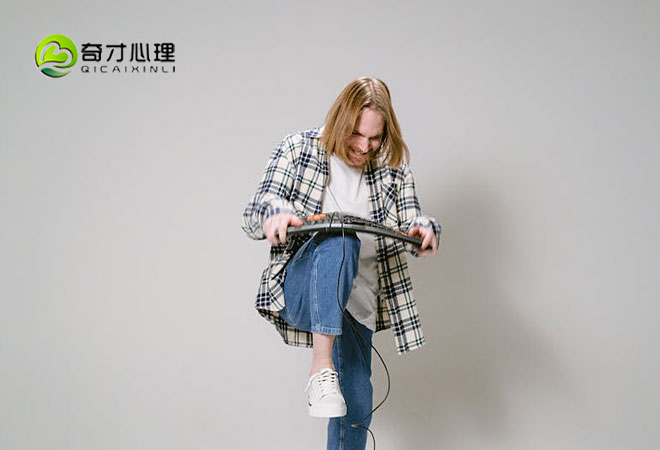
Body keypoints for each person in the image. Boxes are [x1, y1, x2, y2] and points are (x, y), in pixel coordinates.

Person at [241, 77, 440, 450]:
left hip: (358, 303)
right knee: (341, 237)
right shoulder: (298, 149)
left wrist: (425, 229)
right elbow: (255, 212)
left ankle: (331, 382)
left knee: (357, 407)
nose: (364, 147)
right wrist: (275, 213)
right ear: (338, 121)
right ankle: (321, 368)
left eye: (374, 138)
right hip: (304, 288)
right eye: (356, 134)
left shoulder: (393, 170)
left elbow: (414, 217)